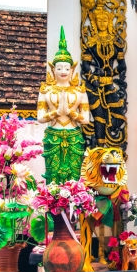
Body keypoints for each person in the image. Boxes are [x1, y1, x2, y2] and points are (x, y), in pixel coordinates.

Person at [36, 26, 91, 184]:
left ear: (72, 69)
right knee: (53, 175)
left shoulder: (79, 91)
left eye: (66, 68)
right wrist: (56, 112)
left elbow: (86, 119)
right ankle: (52, 205)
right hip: (53, 136)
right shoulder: (46, 90)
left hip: (74, 137)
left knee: (74, 176)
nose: (63, 71)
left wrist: (70, 112)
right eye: (59, 68)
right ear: (53, 69)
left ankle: (76, 204)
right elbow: (40, 117)